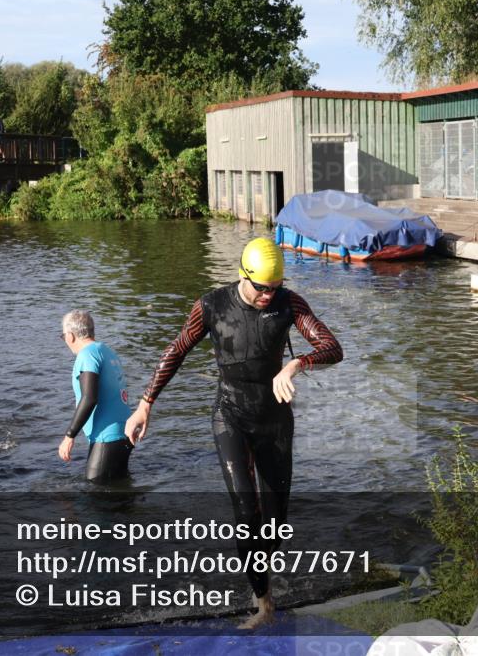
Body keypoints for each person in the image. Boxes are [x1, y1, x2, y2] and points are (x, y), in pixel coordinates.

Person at [126, 237, 343, 629]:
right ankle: (264, 602)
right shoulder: (211, 305)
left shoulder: (289, 303)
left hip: (274, 421)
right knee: (246, 513)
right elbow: (177, 350)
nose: (267, 295)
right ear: (244, 275)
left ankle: (264, 574)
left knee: (275, 527)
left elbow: (332, 346)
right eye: (261, 287)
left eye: (274, 287)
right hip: (230, 416)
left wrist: (296, 364)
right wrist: (145, 404)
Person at [58, 310, 134, 484]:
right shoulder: (107, 351)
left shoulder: (87, 355)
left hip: (106, 436)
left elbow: (89, 398)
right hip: (124, 432)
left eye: (63, 337)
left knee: (96, 495)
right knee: (120, 492)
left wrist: (69, 437)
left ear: (70, 336)